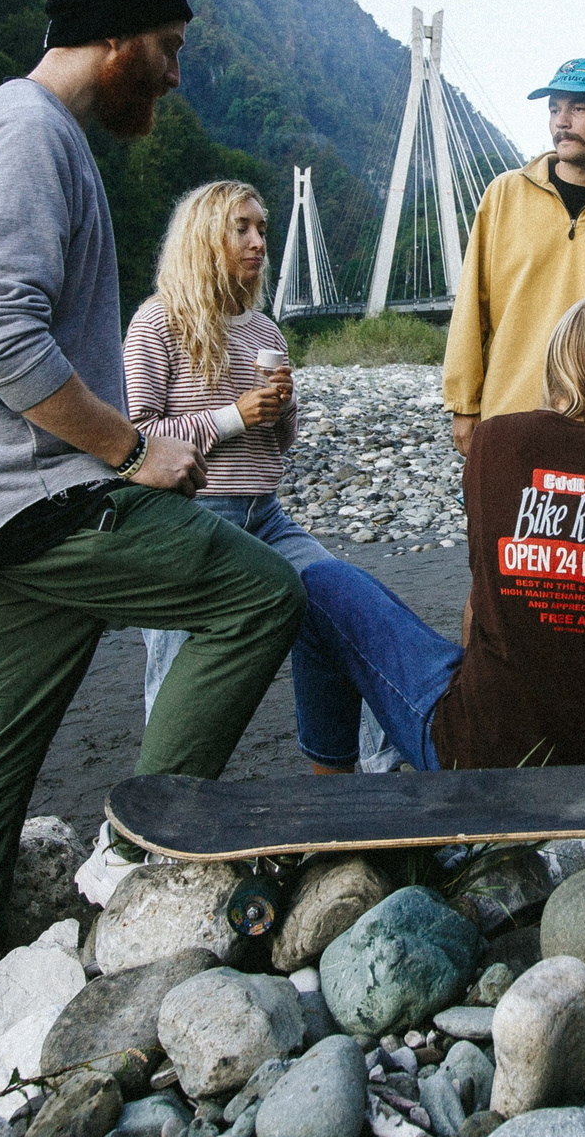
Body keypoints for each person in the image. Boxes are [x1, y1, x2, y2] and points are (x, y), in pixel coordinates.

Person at [0, 0, 307, 1014]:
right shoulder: (30, 134)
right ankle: (138, 862)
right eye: (167, 49)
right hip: (45, 497)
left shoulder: (11, 127)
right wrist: (132, 448)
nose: (174, 77)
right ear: (117, 40)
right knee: (261, 594)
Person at [294, 296, 585, 770]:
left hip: (491, 755)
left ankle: (332, 797)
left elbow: (487, 592)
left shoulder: (493, 443)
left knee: (319, 585)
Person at [123, 179, 395, 769]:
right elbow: (137, 439)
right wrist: (234, 415)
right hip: (186, 515)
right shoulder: (157, 321)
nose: (257, 242)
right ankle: (164, 795)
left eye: (263, 230)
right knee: (177, 665)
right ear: (204, 238)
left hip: (265, 513)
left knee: (342, 601)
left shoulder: (265, 330)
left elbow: (278, 443)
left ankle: (383, 768)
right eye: (241, 229)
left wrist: (283, 407)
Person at [444, 59, 585, 451]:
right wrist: (463, 403)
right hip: (508, 414)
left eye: (578, 108)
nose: (562, 122)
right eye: (554, 109)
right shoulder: (504, 195)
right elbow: (472, 307)